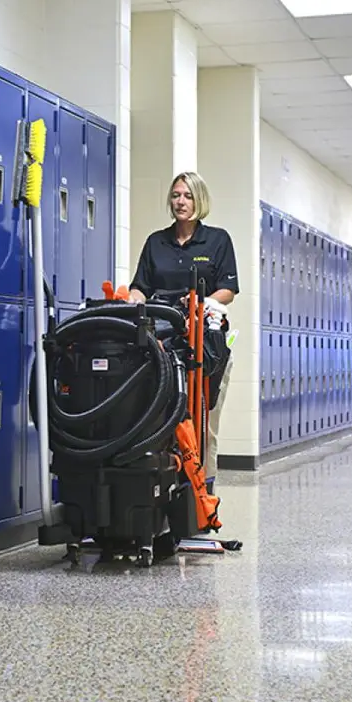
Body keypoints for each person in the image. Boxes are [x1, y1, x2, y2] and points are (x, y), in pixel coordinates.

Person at [128, 172, 238, 485]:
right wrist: (132, 303)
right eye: (176, 195)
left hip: (205, 342)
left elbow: (227, 289)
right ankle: (164, 488)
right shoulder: (156, 242)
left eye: (188, 196)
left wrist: (198, 310)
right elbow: (140, 286)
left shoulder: (217, 240)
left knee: (204, 422)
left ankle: (203, 495)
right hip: (163, 342)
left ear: (199, 200)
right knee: (161, 418)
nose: (181, 202)